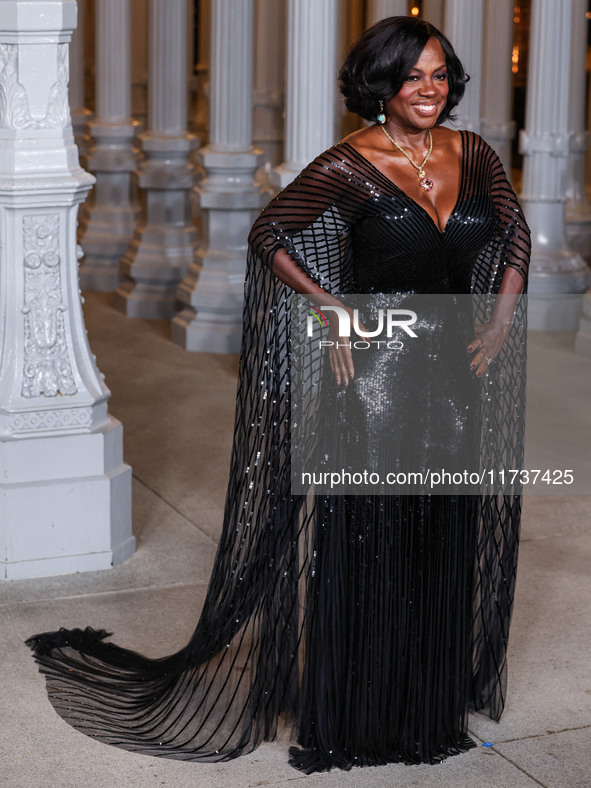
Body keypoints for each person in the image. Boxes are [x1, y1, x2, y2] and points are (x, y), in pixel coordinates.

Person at [27, 16, 530, 775]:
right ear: (379, 84)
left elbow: (515, 234)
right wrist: (330, 309)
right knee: (375, 541)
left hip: (455, 379)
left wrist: (498, 322)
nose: (426, 90)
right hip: (378, 378)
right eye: (409, 76)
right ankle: (361, 710)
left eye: (436, 74)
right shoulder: (348, 163)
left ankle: (425, 703)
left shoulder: (474, 152)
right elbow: (269, 233)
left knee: (440, 536)